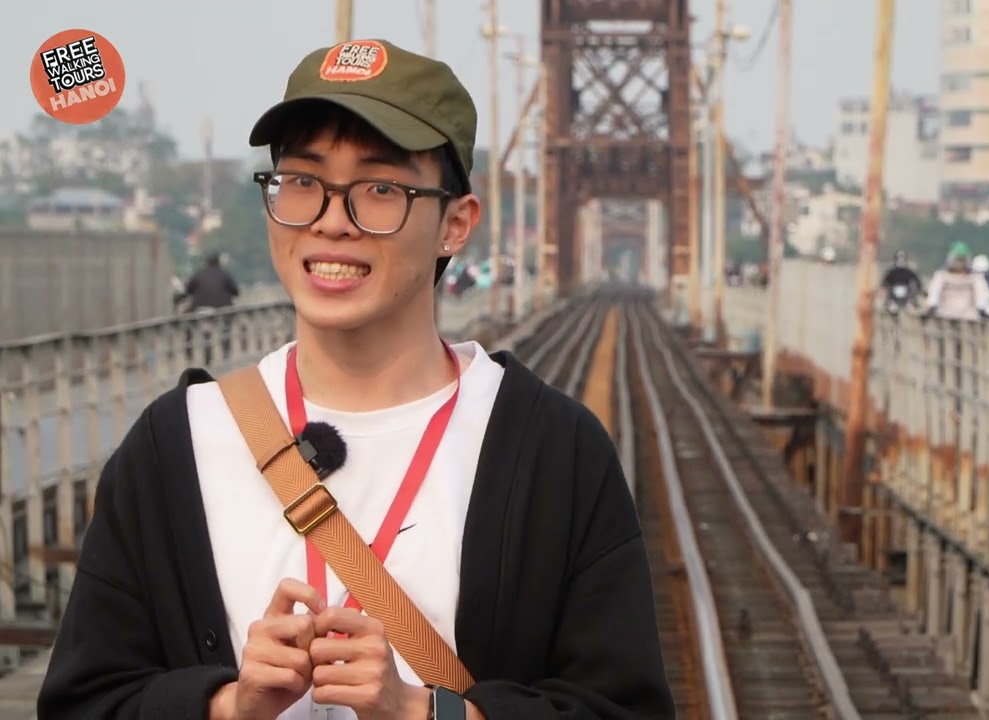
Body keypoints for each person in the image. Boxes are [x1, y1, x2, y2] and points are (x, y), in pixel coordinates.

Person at [38, 39, 674, 720]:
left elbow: (623, 708)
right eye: (303, 182)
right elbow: (83, 701)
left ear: (455, 224)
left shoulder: (554, 451)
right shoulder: (176, 446)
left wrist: (425, 712)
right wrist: (226, 705)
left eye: (380, 190)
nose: (331, 221)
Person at [924, 241, 989, 321]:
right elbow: (934, 293)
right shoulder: (941, 276)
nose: (960, 263)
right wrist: (932, 305)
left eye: (962, 260)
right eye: (957, 260)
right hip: (945, 315)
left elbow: (981, 295)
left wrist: (982, 308)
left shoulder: (975, 278)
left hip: (969, 317)